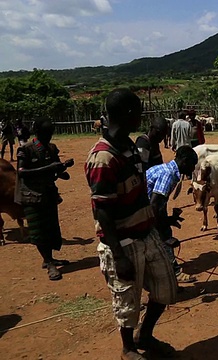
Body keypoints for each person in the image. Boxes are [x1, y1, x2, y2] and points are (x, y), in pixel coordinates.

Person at [86, 89, 178, 360]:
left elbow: (140, 193)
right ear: (127, 113)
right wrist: (118, 253)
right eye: (139, 111)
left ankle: (145, 335)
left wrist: (160, 219)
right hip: (123, 242)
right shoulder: (103, 158)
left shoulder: (130, 148)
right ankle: (128, 348)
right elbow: (102, 209)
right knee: (127, 301)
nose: (142, 116)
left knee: (166, 288)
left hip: (147, 233)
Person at [15, 117, 73, 281]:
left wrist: (63, 168)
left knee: (50, 227)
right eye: (46, 133)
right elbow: (21, 172)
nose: (49, 136)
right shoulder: (26, 149)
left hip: (48, 194)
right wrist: (49, 168)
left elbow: (56, 168)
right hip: (32, 196)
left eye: (50, 133)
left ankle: (49, 258)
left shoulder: (51, 148)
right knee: (38, 230)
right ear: (38, 132)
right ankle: (49, 263)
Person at [146, 146, 198, 284]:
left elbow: (159, 204)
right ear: (185, 161)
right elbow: (154, 205)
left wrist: (168, 220)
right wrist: (164, 235)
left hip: (146, 210)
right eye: (192, 165)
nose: (193, 169)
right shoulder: (168, 174)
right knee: (163, 238)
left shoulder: (169, 170)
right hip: (141, 212)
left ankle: (170, 274)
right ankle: (173, 274)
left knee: (164, 232)